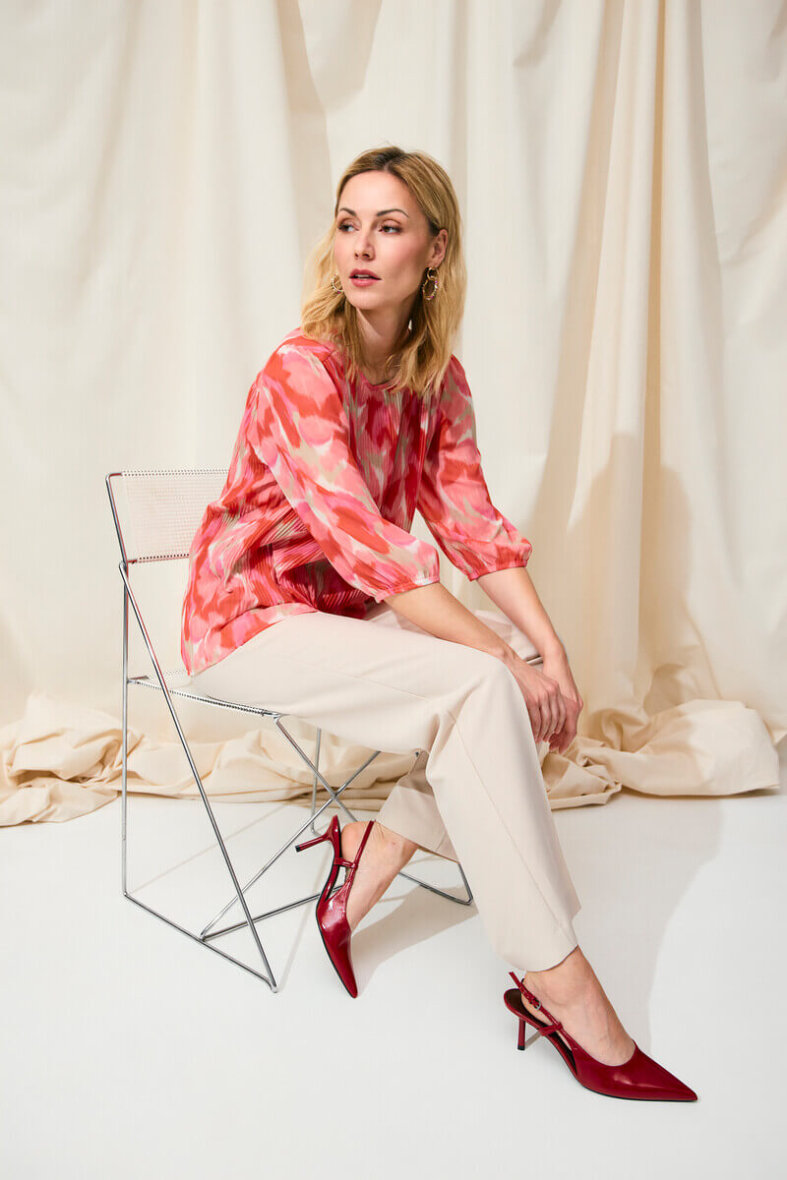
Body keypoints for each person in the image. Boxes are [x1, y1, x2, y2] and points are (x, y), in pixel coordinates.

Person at [181, 145, 696, 1102]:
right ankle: (558, 979)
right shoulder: (301, 370)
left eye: (388, 227)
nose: (360, 247)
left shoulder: (437, 380)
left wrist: (551, 655)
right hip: (247, 624)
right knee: (484, 680)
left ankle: (368, 861)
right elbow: (369, 545)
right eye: (348, 224)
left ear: (435, 251)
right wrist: (504, 658)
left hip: (344, 617)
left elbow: (471, 528)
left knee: (515, 673)